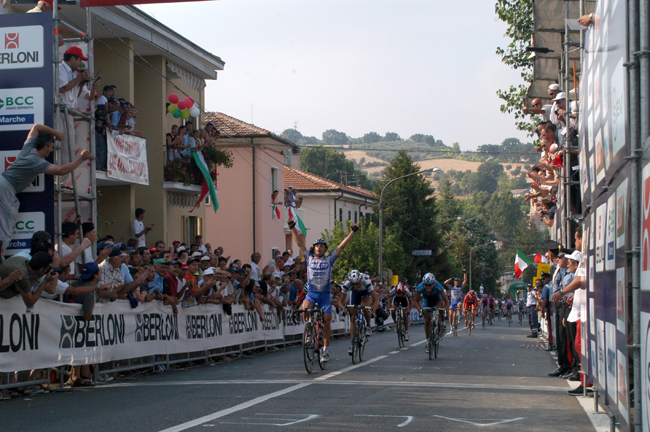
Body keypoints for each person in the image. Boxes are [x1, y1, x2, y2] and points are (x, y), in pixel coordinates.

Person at [0, 124, 91, 249]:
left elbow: (36, 127)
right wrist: (81, 159)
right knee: (5, 230)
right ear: (45, 147)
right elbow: (61, 170)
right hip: (6, 188)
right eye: (51, 147)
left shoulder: (28, 148)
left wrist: (57, 134)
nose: (52, 150)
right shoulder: (36, 161)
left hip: (4, 185)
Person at [290, 220, 360, 362]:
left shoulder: (330, 259)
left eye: (322, 246)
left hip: (324, 296)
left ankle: (325, 350)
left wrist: (353, 231)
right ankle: (309, 331)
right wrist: (292, 228)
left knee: (326, 321)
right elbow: (299, 243)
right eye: (317, 246)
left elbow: (341, 246)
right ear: (314, 248)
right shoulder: (309, 258)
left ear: (325, 249)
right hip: (312, 294)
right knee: (306, 309)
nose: (319, 248)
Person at [336, 270, 379, 356]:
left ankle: (368, 326)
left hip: (366, 292)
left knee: (365, 308)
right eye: (353, 284)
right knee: (352, 317)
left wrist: (373, 311)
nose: (355, 286)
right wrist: (344, 309)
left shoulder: (366, 282)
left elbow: (376, 299)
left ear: (360, 280)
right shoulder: (347, 284)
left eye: (357, 284)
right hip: (355, 294)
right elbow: (340, 301)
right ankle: (352, 344)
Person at [414, 273, 449, 353]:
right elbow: (416, 301)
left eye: (430, 285)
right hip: (427, 300)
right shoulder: (420, 287)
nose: (428, 287)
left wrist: (446, 311)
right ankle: (428, 341)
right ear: (424, 284)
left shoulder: (438, 286)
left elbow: (446, 300)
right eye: (426, 285)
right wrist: (421, 310)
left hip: (437, 298)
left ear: (433, 283)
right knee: (427, 320)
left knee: (441, 307)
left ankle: (442, 323)